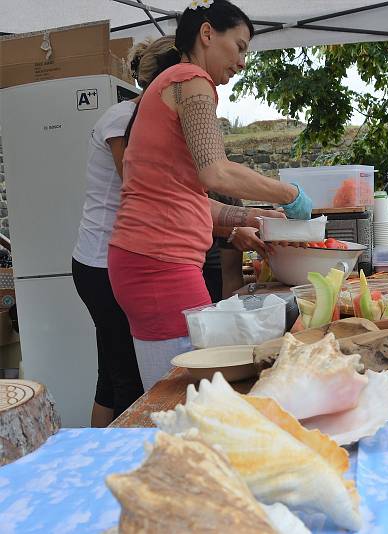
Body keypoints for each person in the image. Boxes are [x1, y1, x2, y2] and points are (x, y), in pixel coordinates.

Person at [108, 0, 313, 391]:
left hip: (144, 259)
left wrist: (254, 217)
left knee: (176, 388)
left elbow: (186, 196)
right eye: (239, 47)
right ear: (207, 34)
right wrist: (290, 193)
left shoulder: (171, 85)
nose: (241, 62)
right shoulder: (191, 80)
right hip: (159, 264)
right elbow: (214, 171)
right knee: (183, 392)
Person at [71, 36, 174, 427]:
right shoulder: (121, 119)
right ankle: (121, 467)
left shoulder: (146, 121)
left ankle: (97, 464)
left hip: (115, 262)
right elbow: (140, 187)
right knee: (126, 377)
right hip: (101, 265)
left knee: (111, 376)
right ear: (165, 81)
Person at [202, 192, 267, 302]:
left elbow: (231, 275)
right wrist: (230, 231)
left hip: (215, 271)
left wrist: (232, 312)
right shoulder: (172, 189)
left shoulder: (227, 197)